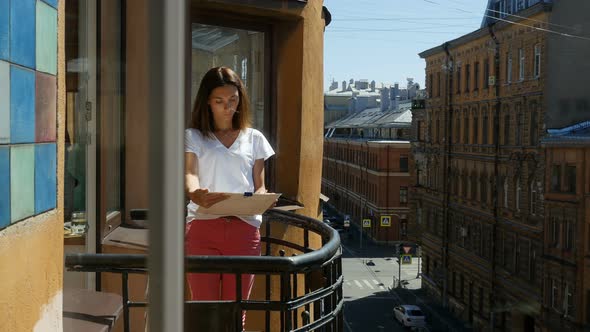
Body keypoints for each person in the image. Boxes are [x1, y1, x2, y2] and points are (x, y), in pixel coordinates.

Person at [184, 66, 275, 329]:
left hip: (244, 231)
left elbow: (260, 185)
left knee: (236, 313)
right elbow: (190, 173)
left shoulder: (254, 138)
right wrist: (195, 192)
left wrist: (263, 198)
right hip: (203, 228)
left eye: (233, 100)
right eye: (219, 101)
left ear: (241, 100)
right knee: (204, 310)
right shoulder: (193, 136)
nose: (227, 107)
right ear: (207, 103)